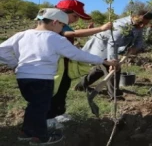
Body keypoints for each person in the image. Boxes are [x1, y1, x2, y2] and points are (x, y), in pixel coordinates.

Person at [0, 8, 117, 145]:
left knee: (34, 105)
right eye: (62, 25)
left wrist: (15, 64)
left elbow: (2, 51)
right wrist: (103, 61)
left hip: (23, 77)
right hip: (43, 78)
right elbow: (78, 54)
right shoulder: (55, 38)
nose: (62, 29)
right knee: (41, 108)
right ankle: (41, 137)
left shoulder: (22, 35)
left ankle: (26, 132)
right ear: (55, 22)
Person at [47, 0, 112, 128]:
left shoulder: (64, 24)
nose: (76, 19)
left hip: (64, 66)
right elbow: (73, 33)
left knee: (63, 89)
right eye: (75, 16)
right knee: (53, 91)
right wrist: (100, 29)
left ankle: (59, 112)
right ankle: (49, 118)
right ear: (63, 12)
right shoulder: (55, 25)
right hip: (53, 66)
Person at [74, 9, 152, 100]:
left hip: (112, 46)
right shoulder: (121, 26)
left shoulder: (139, 25)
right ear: (134, 18)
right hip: (102, 46)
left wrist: (135, 47)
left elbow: (139, 39)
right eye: (141, 23)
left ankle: (81, 86)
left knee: (101, 69)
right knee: (114, 69)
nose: (142, 26)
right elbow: (112, 43)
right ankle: (115, 95)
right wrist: (112, 61)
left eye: (145, 24)